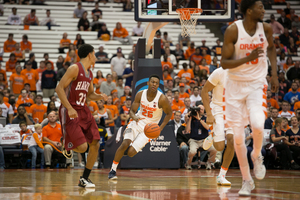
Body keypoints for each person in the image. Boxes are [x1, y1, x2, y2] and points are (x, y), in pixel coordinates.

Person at [221, 0, 279, 196]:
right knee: (237, 138)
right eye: (260, 7)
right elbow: (225, 63)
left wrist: (275, 74)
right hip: (234, 86)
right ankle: (247, 180)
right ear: (249, 10)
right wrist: (249, 56)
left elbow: (271, 48)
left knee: (257, 121)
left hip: (256, 83)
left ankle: (256, 155)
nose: (264, 10)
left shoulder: (267, 29)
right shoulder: (233, 30)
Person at [55, 44, 108, 188]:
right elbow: (59, 88)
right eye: (95, 54)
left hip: (83, 109)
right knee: (83, 147)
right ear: (90, 55)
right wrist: (69, 107)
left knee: (96, 143)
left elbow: (89, 94)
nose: (96, 57)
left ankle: (84, 178)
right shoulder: (74, 68)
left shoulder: (90, 73)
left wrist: (100, 97)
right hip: (70, 109)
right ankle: (66, 143)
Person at [108, 75, 172, 179]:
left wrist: (160, 128)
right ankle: (113, 170)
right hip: (136, 122)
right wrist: (134, 117)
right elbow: (132, 111)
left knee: (131, 153)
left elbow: (169, 114)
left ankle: (119, 153)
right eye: (152, 82)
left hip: (149, 129)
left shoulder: (162, 99)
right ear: (148, 83)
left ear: (158, 85)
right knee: (125, 144)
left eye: (156, 83)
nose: (154, 84)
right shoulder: (140, 94)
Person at [201, 67, 235, 186]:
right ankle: (212, 135)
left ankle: (221, 175)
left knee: (232, 141)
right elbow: (204, 91)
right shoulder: (219, 72)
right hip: (218, 108)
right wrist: (209, 114)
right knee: (220, 147)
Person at [185, 105, 218, 170]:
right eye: (198, 109)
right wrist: (190, 118)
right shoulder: (191, 118)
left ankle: (209, 162)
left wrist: (199, 119)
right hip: (194, 140)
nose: (200, 110)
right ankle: (188, 164)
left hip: (204, 140)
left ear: (203, 111)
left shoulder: (206, 118)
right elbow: (187, 130)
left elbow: (207, 127)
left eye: (201, 109)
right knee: (192, 151)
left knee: (214, 149)